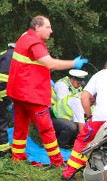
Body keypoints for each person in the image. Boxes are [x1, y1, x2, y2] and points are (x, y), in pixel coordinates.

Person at [7, 16, 88, 166]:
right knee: (47, 130)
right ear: (38, 27)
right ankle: (57, 162)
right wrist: (73, 63)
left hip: (19, 93)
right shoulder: (35, 43)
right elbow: (50, 63)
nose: (51, 31)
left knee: (20, 127)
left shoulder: (24, 37)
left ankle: (17, 159)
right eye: (48, 27)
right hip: (32, 95)